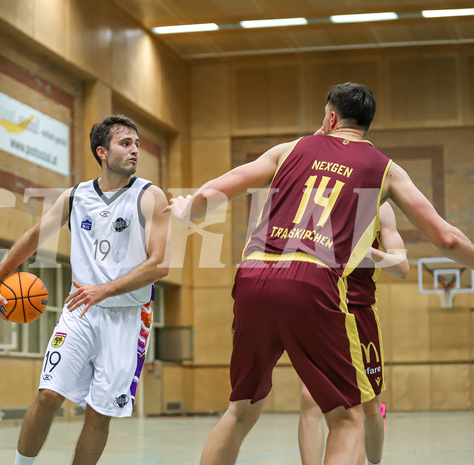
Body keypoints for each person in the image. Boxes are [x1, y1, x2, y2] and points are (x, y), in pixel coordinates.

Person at [165, 82, 474, 465]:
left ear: (330, 117)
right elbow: (445, 237)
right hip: (311, 282)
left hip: (253, 276)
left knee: (240, 411)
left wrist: (186, 211)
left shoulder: (290, 149)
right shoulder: (387, 170)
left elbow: (221, 188)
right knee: (347, 420)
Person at [0, 115, 169, 465]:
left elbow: (160, 264)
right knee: (47, 396)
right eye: (125, 143)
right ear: (102, 151)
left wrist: (105, 290)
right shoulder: (76, 196)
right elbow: (34, 237)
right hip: (80, 311)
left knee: (99, 414)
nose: (135, 150)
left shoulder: (149, 196)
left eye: (137, 144)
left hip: (129, 318)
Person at [298, 202, 408, 465]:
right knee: (309, 399)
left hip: (360, 313)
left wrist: (366, 252)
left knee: (368, 407)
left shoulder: (380, 207)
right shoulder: (318, 201)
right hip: (322, 309)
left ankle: (374, 453)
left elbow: (402, 267)